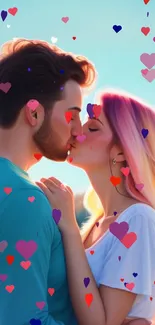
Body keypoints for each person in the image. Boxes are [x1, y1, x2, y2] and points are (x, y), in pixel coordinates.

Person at [37, 89, 155, 325]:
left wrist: (69, 226)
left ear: (122, 151)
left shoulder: (138, 217)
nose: (77, 133)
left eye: (93, 128)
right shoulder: (97, 223)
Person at [0, 38, 96, 325]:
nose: (78, 131)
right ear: (34, 113)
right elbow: (24, 319)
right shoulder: (24, 199)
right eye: (73, 115)